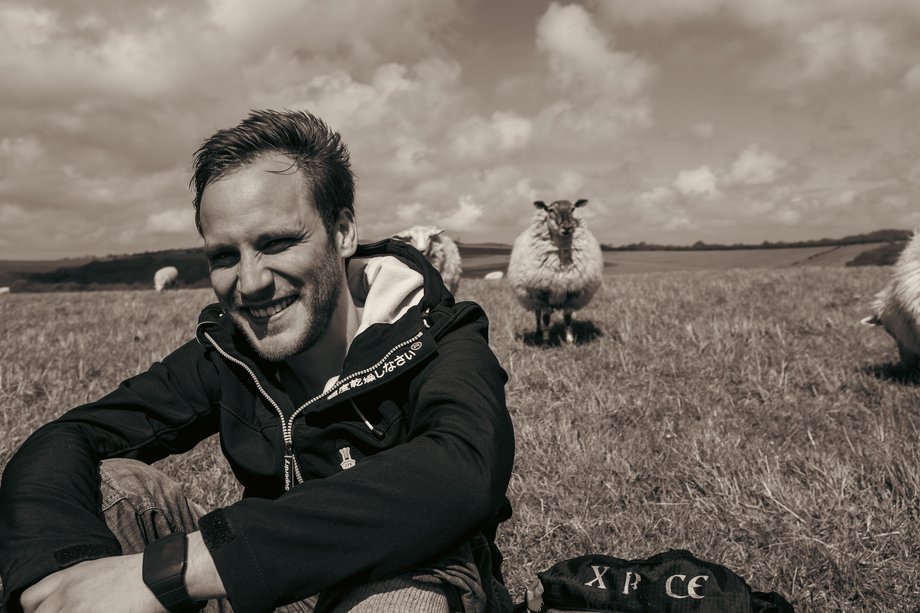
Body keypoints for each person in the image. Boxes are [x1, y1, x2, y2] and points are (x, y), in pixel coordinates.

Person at [0, 109, 515, 613]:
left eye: (278, 242)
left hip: (398, 575)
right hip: (262, 579)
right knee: (109, 485)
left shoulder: (436, 337)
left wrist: (174, 570)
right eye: (225, 255)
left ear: (342, 233)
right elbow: (72, 435)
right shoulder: (230, 351)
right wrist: (62, 571)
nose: (249, 283)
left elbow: (462, 472)